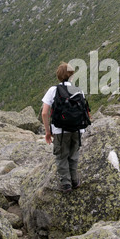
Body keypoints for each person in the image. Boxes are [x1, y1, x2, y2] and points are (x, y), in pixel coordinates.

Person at [42, 62, 82, 193]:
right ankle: (75, 181)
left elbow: (44, 113)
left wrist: (48, 132)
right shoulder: (78, 90)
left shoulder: (53, 90)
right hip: (77, 129)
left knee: (61, 156)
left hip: (60, 130)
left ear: (58, 76)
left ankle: (66, 184)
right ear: (72, 75)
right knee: (73, 155)